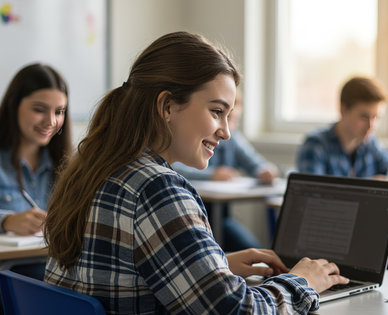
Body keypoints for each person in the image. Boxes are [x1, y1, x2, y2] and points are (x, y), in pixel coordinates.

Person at [44, 31, 348, 314]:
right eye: (216, 111)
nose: (226, 132)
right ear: (167, 107)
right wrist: (303, 281)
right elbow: (237, 311)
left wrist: (216, 267)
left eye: (229, 116)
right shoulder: (156, 188)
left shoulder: (93, 169)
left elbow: (119, 275)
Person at [172, 88, 278, 251]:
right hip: (189, 217)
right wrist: (211, 175)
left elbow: (254, 162)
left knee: (254, 250)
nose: (226, 130)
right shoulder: (185, 141)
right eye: (218, 114)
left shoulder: (232, 139)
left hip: (221, 220)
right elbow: (175, 167)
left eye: (233, 119)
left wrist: (264, 170)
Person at [0, 63, 72, 280]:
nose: (51, 121)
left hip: (55, 276)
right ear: (14, 105)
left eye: (59, 111)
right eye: (39, 109)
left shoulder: (69, 165)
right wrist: (6, 221)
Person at [296, 76, 388, 178]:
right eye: (364, 117)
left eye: (376, 117)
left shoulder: (370, 143)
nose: (371, 126)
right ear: (343, 110)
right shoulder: (316, 145)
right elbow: (311, 190)